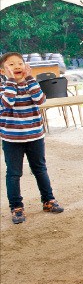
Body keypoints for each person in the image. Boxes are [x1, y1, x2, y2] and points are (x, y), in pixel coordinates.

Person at [0, 52, 64, 225]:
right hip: (12, 139)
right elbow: (7, 102)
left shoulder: (31, 84)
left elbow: (40, 99)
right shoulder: (3, 87)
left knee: (40, 169)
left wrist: (29, 79)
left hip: (35, 135)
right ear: (2, 70)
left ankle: (48, 201)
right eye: (11, 65)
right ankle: (16, 207)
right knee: (13, 173)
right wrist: (12, 81)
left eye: (20, 63)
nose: (17, 67)